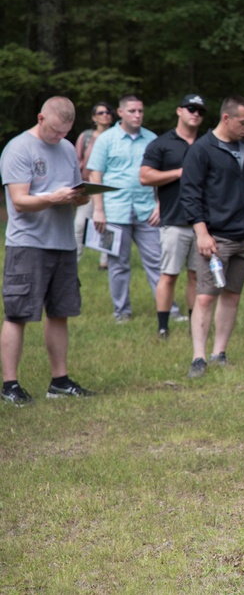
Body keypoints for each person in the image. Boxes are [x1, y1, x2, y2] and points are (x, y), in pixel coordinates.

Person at [1, 97, 95, 406]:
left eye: (65, 132)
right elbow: (19, 201)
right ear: (41, 118)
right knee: (18, 314)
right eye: (55, 131)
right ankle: (10, 385)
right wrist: (52, 198)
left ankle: (59, 381)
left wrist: (80, 197)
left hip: (63, 243)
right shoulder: (19, 148)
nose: (59, 137)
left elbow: (72, 189)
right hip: (28, 243)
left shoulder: (67, 148)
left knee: (60, 312)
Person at [178, 95, 244, 378]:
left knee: (232, 295)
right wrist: (202, 234)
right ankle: (198, 358)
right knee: (206, 297)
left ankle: (219, 353)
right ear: (227, 118)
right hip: (216, 239)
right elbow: (190, 195)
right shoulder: (201, 150)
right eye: (243, 123)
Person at [87, 95, 163, 323]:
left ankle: (167, 309)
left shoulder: (152, 139)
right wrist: (98, 209)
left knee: (158, 261)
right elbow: (95, 174)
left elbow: (160, 175)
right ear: (120, 113)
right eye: (132, 111)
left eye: (140, 111)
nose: (137, 115)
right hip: (114, 210)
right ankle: (122, 312)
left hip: (147, 210)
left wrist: (161, 204)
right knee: (117, 264)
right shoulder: (106, 139)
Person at [140, 94, 207, 340]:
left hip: (202, 222)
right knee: (169, 275)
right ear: (179, 111)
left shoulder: (206, 143)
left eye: (201, 111)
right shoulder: (162, 143)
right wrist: (180, 172)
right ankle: (162, 326)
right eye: (191, 109)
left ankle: (194, 323)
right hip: (173, 220)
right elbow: (145, 177)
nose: (196, 114)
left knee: (196, 276)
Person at [73, 101, 114, 268]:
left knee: (109, 224)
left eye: (108, 112)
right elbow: (76, 161)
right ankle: (74, 259)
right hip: (89, 186)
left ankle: (105, 262)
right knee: (80, 224)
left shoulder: (116, 137)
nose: (105, 115)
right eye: (100, 113)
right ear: (93, 118)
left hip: (110, 188)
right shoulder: (87, 136)